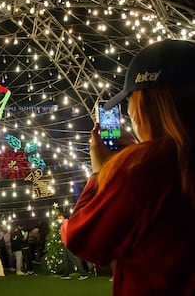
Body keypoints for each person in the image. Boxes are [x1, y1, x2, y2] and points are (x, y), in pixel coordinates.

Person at [65, 39, 195, 295]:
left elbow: (81, 238)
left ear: (146, 104)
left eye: (130, 102)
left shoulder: (145, 168)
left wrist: (101, 172)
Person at [58, 216, 88, 280]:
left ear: (63, 217)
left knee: (74, 258)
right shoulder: (63, 224)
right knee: (66, 259)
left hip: (68, 244)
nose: (58, 220)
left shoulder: (66, 224)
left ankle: (83, 274)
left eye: (59, 218)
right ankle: (66, 274)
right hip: (66, 244)